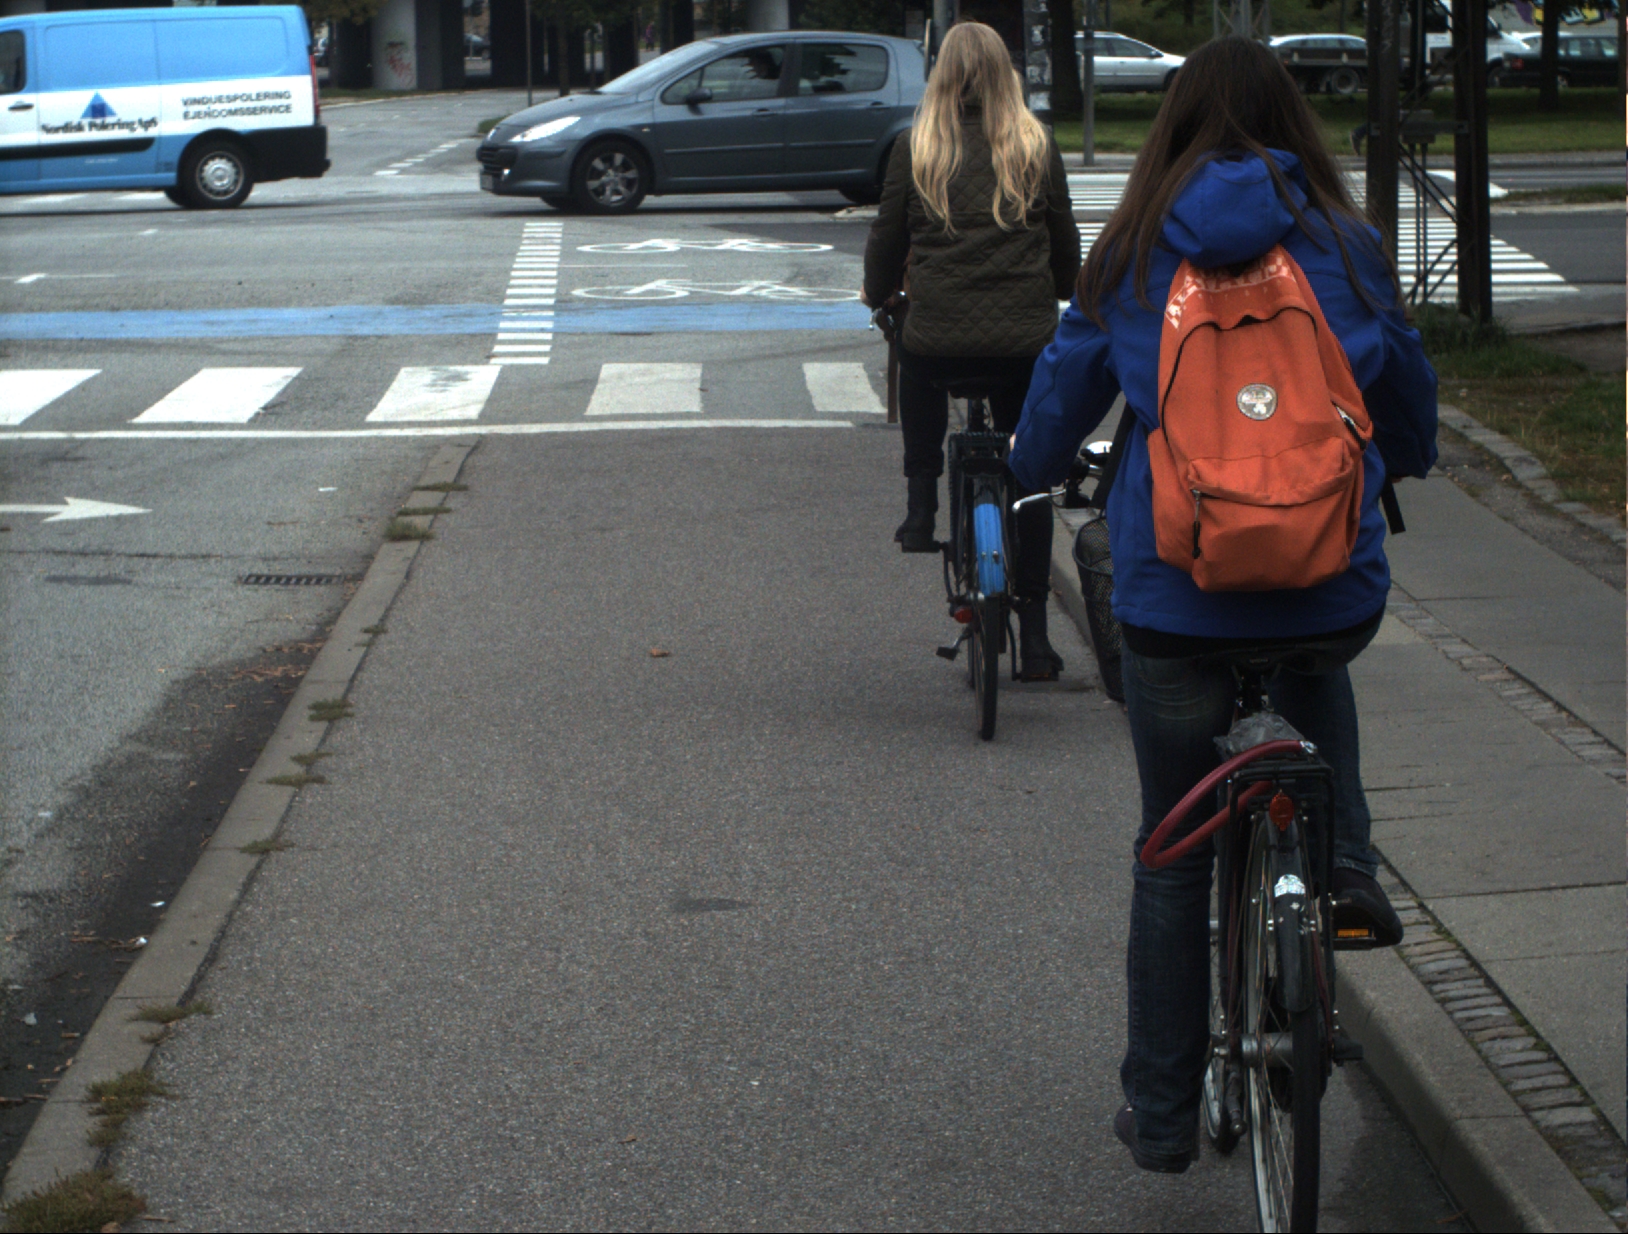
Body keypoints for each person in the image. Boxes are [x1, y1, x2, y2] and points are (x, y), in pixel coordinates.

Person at [1007, 37, 1437, 1172]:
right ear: (1292, 122)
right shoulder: (1343, 243)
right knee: (1313, 651)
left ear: (1171, 130)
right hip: (1325, 576)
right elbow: (1401, 380)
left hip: (1176, 597)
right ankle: (1345, 868)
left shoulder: (1130, 254)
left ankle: (1159, 1112)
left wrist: (1026, 467)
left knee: (1172, 845)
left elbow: (1061, 395)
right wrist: (1397, 461)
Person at [863, 20, 1080, 681]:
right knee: (1029, 476)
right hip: (1023, 342)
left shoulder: (918, 146)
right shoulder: (1035, 144)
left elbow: (887, 237)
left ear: (942, 75)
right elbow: (1064, 235)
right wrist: (1060, 290)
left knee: (917, 361)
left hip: (941, 339)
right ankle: (1036, 638)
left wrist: (879, 295)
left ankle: (920, 503)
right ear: (1005, 75)